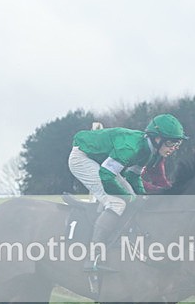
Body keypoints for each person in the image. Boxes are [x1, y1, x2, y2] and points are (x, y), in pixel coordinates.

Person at [68, 113, 187, 273]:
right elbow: (106, 175)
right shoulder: (130, 147)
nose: (173, 149)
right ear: (157, 139)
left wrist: (141, 196)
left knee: (134, 198)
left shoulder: (149, 151)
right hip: (82, 159)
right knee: (117, 202)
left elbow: (133, 176)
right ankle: (94, 256)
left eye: (177, 144)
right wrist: (130, 198)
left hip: (100, 162)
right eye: (171, 143)